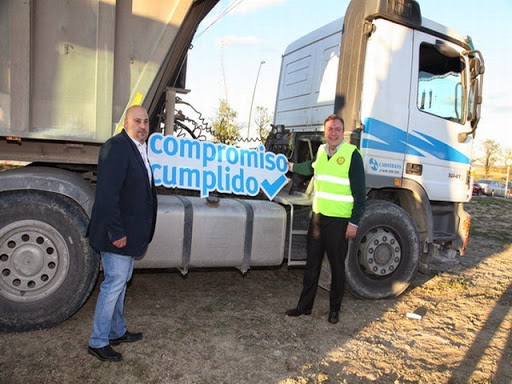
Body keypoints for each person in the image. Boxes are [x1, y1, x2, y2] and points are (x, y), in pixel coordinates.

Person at [87, 105, 158, 362]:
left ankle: (117, 331)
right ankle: (98, 341)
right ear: (126, 123)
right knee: (115, 282)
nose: (142, 126)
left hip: (129, 232)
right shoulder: (116, 147)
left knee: (121, 281)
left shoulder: (138, 148)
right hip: (115, 232)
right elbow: (107, 195)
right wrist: (116, 231)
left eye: (146, 122)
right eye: (137, 121)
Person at [286, 114, 365, 324]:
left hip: (340, 222)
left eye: (337, 129)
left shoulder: (352, 155)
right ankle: (304, 307)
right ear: (325, 131)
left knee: (337, 268)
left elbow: (359, 193)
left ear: (343, 132)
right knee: (311, 265)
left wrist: (354, 222)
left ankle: (334, 310)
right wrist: (290, 166)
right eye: (330, 129)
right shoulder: (321, 151)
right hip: (318, 219)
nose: (333, 133)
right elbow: (308, 167)